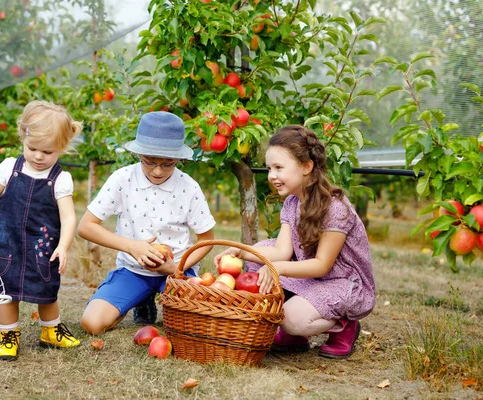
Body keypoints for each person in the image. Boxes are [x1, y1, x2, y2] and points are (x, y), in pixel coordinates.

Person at [214, 125, 375, 359]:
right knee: (259, 255)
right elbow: (282, 250)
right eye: (269, 168)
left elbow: (322, 265)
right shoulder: (292, 203)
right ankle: (295, 337)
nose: (271, 176)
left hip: (344, 283)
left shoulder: (335, 209)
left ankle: (343, 324)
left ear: (307, 166)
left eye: (279, 168)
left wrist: (277, 268)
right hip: (314, 279)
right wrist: (242, 252)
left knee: (291, 318)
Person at [77, 111, 216, 335]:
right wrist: (131, 246)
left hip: (176, 270)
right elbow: (85, 227)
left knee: (200, 328)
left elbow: (207, 240)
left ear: (178, 159)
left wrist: (177, 267)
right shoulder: (122, 179)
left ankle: (149, 295)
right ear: (138, 154)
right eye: (149, 162)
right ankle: (140, 297)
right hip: (133, 270)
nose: (158, 171)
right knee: (92, 324)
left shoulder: (189, 187)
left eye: (168, 164)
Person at [0, 100, 82, 361]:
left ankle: (50, 331)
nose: (39, 156)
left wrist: (63, 246)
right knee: (6, 293)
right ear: (23, 136)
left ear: (61, 148)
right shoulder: (9, 168)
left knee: (47, 292)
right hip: (5, 245)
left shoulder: (60, 179)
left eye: (48, 151)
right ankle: (8, 337)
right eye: (32, 148)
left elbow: (68, 218)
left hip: (41, 249)